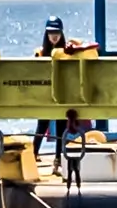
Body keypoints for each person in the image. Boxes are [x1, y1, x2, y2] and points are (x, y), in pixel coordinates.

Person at [33, 15, 94, 171]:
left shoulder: (68, 49)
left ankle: (58, 159)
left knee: (61, 127)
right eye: (51, 32)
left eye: (57, 32)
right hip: (46, 95)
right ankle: (33, 154)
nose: (54, 36)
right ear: (46, 35)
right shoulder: (40, 53)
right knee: (42, 125)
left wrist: (76, 46)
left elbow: (93, 47)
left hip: (62, 95)